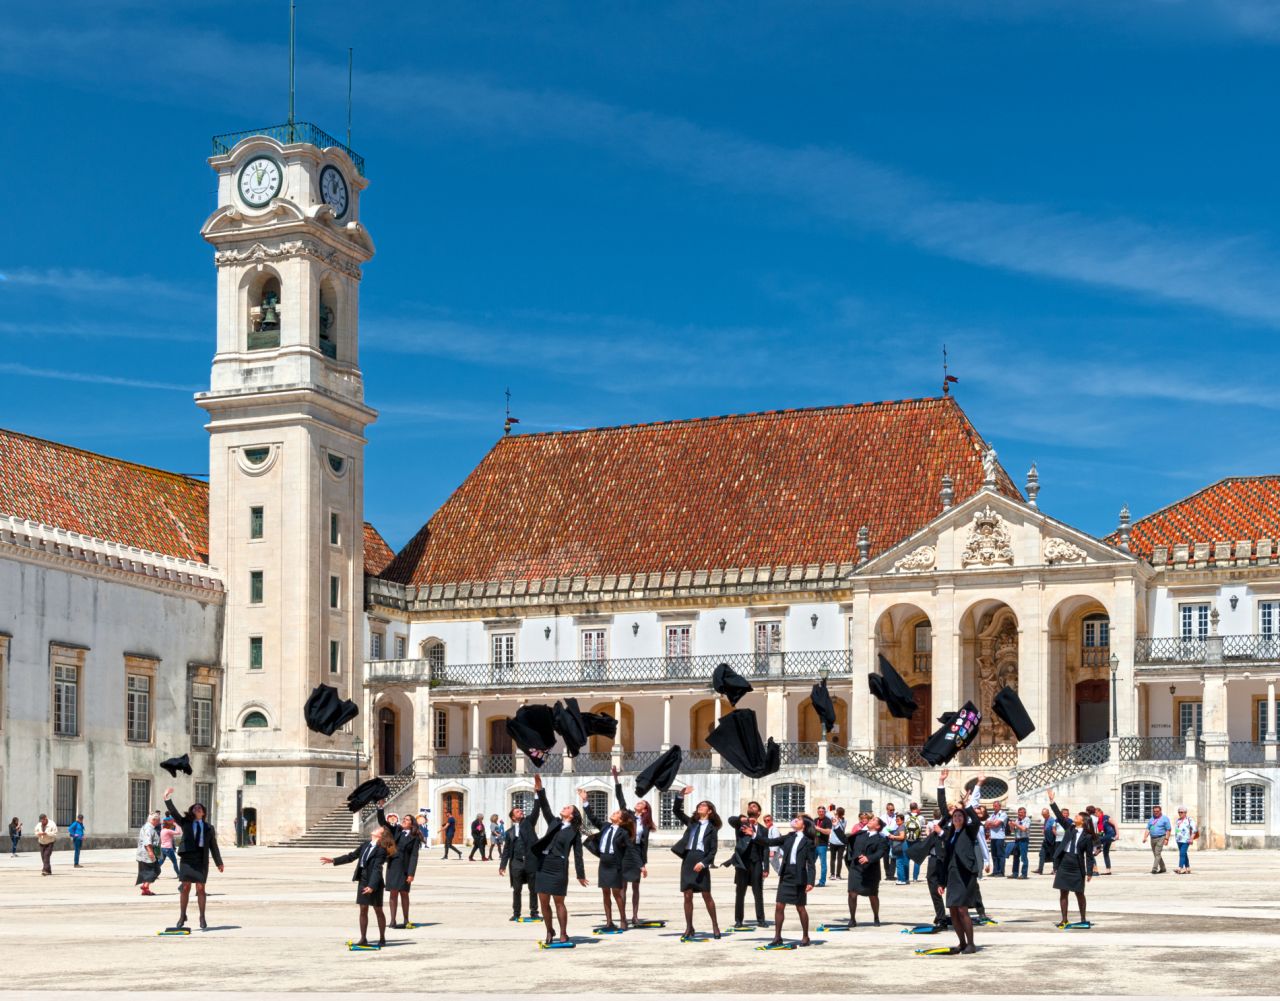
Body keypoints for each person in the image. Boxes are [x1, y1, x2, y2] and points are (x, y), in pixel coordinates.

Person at [531, 778, 588, 946]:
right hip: (543, 864)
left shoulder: (574, 832)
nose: (564, 808)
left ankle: (563, 933)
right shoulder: (554, 822)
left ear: (572, 815)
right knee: (543, 901)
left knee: (559, 901)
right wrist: (540, 790)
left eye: (567, 807)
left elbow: (578, 854)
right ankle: (549, 930)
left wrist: (580, 875)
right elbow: (545, 807)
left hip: (558, 867)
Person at [322, 826, 396, 949]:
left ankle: (382, 937)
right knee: (363, 909)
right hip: (363, 879)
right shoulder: (366, 844)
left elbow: (378, 869)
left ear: (381, 835)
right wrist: (334, 860)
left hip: (374, 882)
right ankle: (363, 938)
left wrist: (372, 886)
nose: (376, 829)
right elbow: (351, 856)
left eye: (379, 829)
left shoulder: (381, 849)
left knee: (378, 910)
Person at [163, 786, 224, 931]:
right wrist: (167, 798)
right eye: (194, 808)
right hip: (188, 859)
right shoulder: (186, 823)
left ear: (203, 813)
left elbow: (213, 846)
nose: (197, 809)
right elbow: (174, 813)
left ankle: (202, 916)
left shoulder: (209, 827)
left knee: (201, 888)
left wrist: (219, 862)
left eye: (199, 808)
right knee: (185, 887)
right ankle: (182, 915)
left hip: (201, 860)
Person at [936, 770, 984, 955]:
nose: (956, 818)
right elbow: (942, 807)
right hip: (952, 874)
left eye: (960, 816)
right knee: (953, 911)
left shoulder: (969, 831)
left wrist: (974, 792)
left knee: (963, 910)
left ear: (964, 818)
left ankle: (971, 943)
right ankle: (961, 943)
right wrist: (941, 782)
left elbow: (976, 818)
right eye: (955, 816)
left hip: (965, 874)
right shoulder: (949, 834)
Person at [579, 787, 634, 931]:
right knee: (605, 893)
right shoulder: (605, 826)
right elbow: (592, 817)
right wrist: (585, 801)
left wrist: (640, 866)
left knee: (617, 893)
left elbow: (631, 850)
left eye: (617, 813)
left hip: (615, 864)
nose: (613, 813)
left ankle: (623, 919)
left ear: (620, 820)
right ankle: (609, 921)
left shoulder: (623, 832)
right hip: (604, 863)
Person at [672, 786, 722, 940]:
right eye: (699, 805)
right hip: (688, 859)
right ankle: (689, 927)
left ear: (710, 811)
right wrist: (681, 795)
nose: (700, 806)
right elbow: (677, 811)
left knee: (706, 895)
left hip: (701, 860)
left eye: (703, 805)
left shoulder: (712, 829)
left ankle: (715, 925)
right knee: (687, 896)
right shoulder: (692, 823)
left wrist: (704, 863)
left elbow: (713, 850)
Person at [761, 813, 817, 947]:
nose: (795, 821)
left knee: (800, 907)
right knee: (779, 905)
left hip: (799, 876)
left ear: (804, 825)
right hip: (786, 874)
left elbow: (811, 864)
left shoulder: (808, 842)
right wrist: (753, 835)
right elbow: (770, 842)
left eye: (798, 820)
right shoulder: (789, 836)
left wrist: (810, 882)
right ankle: (777, 937)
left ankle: (805, 936)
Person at [611, 766, 652, 925]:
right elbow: (621, 800)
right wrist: (616, 780)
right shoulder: (628, 817)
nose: (638, 803)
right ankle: (623, 916)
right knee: (622, 886)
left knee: (635, 886)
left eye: (641, 803)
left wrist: (642, 861)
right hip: (624, 853)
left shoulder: (646, 823)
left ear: (645, 809)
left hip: (636, 854)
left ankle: (635, 915)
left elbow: (644, 843)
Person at [499, 776, 543, 922]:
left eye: (520, 811)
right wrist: (502, 866)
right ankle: (516, 913)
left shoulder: (528, 823)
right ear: (513, 817)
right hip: (516, 863)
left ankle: (534, 912)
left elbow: (536, 810)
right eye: (517, 811)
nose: (521, 812)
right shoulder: (509, 832)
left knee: (533, 888)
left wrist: (537, 793)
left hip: (530, 860)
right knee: (517, 889)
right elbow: (506, 850)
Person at [1047, 790, 1093, 926]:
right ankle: (1064, 919)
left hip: (1077, 865)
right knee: (1063, 893)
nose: (1075, 817)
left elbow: (1089, 856)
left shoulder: (1087, 836)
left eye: (1078, 816)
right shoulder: (1070, 828)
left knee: (1079, 893)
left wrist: (1089, 872)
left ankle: (1083, 919)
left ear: (1083, 821)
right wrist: (1052, 802)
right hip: (1065, 862)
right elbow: (1060, 817)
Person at [377, 807, 422, 929]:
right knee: (393, 893)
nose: (404, 821)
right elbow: (383, 822)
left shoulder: (415, 837)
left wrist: (411, 873)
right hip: (393, 866)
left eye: (407, 820)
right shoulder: (397, 830)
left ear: (412, 823)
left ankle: (406, 919)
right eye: (404, 819)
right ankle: (393, 920)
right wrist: (380, 808)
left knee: (404, 893)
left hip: (404, 868)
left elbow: (414, 856)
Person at [724, 813, 768, 928]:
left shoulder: (763, 829)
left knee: (758, 892)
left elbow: (765, 848)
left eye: (754, 807)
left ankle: (761, 919)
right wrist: (742, 819)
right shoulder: (741, 825)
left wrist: (766, 867)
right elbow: (730, 820)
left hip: (756, 863)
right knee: (740, 893)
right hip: (742, 864)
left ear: (758, 813)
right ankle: (738, 920)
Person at [844, 814, 887, 926]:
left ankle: (876, 917)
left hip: (870, 871)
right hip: (856, 869)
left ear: (878, 826)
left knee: (872, 895)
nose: (870, 820)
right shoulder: (860, 834)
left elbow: (881, 852)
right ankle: (852, 918)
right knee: (852, 894)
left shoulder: (881, 839)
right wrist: (836, 827)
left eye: (873, 820)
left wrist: (869, 858)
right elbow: (845, 840)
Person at [135, 811, 162, 896]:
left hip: (145, 853)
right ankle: (145, 886)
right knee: (155, 870)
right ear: (153, 820)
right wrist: (151, 853)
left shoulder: (147, 827)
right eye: (158, 820)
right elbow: (147, 842)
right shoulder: (149, 828)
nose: (159, 822)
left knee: (147, 871)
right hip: (147, 854)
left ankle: (145, 889)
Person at [1142, 805, 1172, 874]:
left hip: (1161, 837)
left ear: (1160, 811)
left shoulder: (1165, 819)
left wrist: (1166, 839)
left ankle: (1154, 869)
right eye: (1154, 811)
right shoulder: (1151, 819)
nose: (1156, 813)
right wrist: (1145, 837)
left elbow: (1168, 829)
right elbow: (1148, 828)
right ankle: (1163, 868)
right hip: (1152, 838)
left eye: (1157, 811)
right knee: (1156, 854)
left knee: (1157, 853)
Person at [1090, 805, 1116, 874]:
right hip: (1106, 837)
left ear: (1100, 812)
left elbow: (1115, 824)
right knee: (1106, 853)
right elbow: (1102, 832)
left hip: (1111, 835)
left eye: (1096, 813)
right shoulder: (1099, 821)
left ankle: (1098, 848)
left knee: (1095, 841)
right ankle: (1108, 871)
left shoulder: (1106, 817)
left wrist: (1117, 835)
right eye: (1094, 813)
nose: (1095, 814)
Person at [985, 800, 1008, 877]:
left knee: (1000, 855)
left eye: (995, 806)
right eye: (993, 806)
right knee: (994, 855)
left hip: (999, 837)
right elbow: (986, 824)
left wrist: (991, 823)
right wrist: (992, 824)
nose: (994, 807)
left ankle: (1001, 871)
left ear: (999, 806)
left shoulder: (1003, 814)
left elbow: (996, 824)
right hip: (993, 837)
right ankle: (995, 871)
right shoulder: (993, 815)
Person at [1173, 806, 1198, 874]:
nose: (1180, 813)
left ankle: (1180, 867)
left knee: (1182, 854)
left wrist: (1191, 838)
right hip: (1179, 840)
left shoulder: (1189, 820)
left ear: (1185, 813)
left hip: (1186, 840)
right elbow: (1177, 830)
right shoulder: (1178, 820)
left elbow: (1194, 830)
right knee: (1184, 854)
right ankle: (1188, 868)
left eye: (1181, 812)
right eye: (1179, 812)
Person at [813, 804, 832, 887]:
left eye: (822, 811)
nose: (821, 813)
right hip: (814, 844)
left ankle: (822, 882)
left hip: (822, 845)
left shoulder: (827, 820)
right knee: (810, 863)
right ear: (817, 812)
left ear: (824, 812)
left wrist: (818, 829)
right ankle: (810, 881)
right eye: (819, 811)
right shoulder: (815, 820)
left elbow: (828, 831)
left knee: (823, 864)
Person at [904, 803, 924, 882]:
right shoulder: (921, 817)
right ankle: (915, 878)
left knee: (906, 858)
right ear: (917, 808)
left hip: (907, 840)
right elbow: (923, 825)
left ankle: (906, 878)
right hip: (917, 840)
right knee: (917, 859)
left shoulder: (906, 817)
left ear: (910, 808)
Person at [879, 803, 900, 880]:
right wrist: (888, 834)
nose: (892, 811)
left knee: (894, 856)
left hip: (894, 837)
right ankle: (888, 874)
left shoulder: (896, 817)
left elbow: (899, 826)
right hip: (885, 838)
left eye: (893, 810)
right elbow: (880, 828)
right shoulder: (882, 817)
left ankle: (891, 874)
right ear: (887, 809)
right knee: (886, 857)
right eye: (891, 810)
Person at [1009, 807, 1030, 879]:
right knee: (1015, 857)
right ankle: (1015, 873)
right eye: (1019, 813)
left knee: (1024, 857)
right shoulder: (1017, 820)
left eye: (1021, 813)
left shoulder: (1027, 820)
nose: (1020, 814)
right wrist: (1011, 825)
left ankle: (1024, 874)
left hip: (1024, 840)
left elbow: (1024, 829)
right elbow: (1012, 831)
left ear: (1025, 813)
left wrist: (1016, 824)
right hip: (1017, 840)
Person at [1035, 807, 1058, 875]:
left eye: (1044, 814)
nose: (1043, 815)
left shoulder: (1052, 820)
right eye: (1042, 814)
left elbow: (1053, 829)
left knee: (1053, 856)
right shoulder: (1046, 820)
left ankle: (1055, 869)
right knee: (1041, 854)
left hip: (1051, 841)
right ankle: (1040, 869)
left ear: (1048, 813)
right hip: (1046, 841)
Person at [830, 807, 847, 880]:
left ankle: (832, 874)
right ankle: (838, 875)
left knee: (832, 859)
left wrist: (834, 813)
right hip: (841, 842)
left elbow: (829, 812)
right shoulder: (845, 821)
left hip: (833, 841)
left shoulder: (834, 819)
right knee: (839, 859)